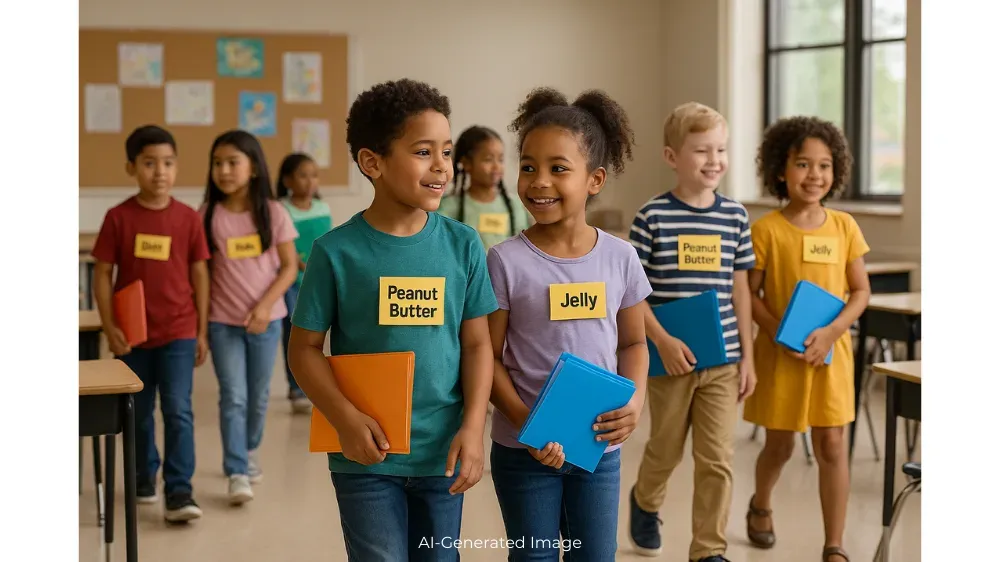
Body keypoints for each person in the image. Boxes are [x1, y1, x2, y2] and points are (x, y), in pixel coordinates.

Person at [286, 78, 497, 562]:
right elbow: (303, 350)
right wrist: (344, 419)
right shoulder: (334, 252)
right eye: (423, 151)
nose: (441, 165)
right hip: (364, 457)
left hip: (442, 453)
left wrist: (473, 428)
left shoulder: (463, 245)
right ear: (372, 162)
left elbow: (478, 344)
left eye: (446, 151)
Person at [486, 87, 651, 561]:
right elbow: (487, 358)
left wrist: (635, 400)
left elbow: (634, 344)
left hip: (598, 445)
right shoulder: (504, 261)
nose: (539, 181)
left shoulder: (621, 257)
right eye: (528, 167)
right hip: (524, 450)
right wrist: (530, 426)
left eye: (558, 168)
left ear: (594, 179)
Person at [628, 102, 756, 562]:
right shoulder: (652, 217)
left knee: (717, 459)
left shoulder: (736, 217)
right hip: (670, 360)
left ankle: (708, 550)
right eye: (702, 150)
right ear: (672, 156)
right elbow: (632, 293)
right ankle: (645, 500)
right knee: (665, 450)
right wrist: (662, 341)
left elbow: (740, 290)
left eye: (721, 149)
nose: (714, 160)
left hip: (722, 361)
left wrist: (748, 358)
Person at [743, 116, 871, 562]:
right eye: (803, 164)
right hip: (781, 355)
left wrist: (833, 332)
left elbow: (860, 291)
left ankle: (834, 544)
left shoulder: (845, 227)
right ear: (780, 170)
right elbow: (750, 294)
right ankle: (761, 504)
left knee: (832, 444)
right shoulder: (765, 231)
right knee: (779, 445)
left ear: (836, 171)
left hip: (831, 354)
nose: (814, 174)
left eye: (824, 165)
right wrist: (778, 333)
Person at [91, 124, 209, 522]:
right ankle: (144, 477)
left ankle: (180, 490)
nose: (160, 172)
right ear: (131, 167)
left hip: (179, 331)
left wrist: (201, 331)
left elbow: (200, 274)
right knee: (138, 413)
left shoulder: (188, 218)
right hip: (133, 336)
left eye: (168, 163)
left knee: (178, 410)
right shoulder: (118, 217)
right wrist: (110, 326)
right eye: (149, 163)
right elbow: (102, 273)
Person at [201, 130, 299, 505]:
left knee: (258, 398)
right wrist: (201, 327)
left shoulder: (273, 212)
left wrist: (264, 306)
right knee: (234, 397)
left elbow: (288, 267)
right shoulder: (207, 215)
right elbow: (202, 273)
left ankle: (249, 449)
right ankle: (237, 470)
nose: (224, 171)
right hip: (223, 323)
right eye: (217, 163)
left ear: (254, 168)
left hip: (266, 321)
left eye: (233, 162)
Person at [275, 152, 332, 414]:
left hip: (319, 282)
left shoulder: (322, 208)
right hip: (293, 282)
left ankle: (318, 385)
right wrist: (302, 267)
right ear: (287, 180)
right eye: (302, 175)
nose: (310, 181)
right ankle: (296, 387)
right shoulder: (281, 209)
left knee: (319, 335)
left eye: (314, 175)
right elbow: (288, 250)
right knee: (294, 334)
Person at [436, 125, 531, 251]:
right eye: (488, 159)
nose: (496, 167)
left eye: (500, 159)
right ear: (466, 163)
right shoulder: (448, 208)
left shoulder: (515, 206)